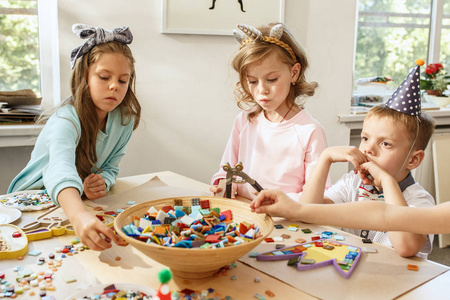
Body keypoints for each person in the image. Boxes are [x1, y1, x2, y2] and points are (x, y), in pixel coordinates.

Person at [251, 60, 436, 258]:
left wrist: (388, 182)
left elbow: (406, 247)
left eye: (386, 144)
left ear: (413, 160)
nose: (368, 149)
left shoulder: (419, 201)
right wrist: (325, 158)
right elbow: (309, 213)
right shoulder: (352, 184)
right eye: (365, 138)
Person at [8, 24, 141, 251]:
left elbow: (110, 168)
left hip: (75, 201)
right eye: (104, 77)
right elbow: (59, 169)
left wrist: (102, 183)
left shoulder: (124, 120)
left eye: (122, 80)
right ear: (84, 77)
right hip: (31, 204)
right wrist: (79, 215)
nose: (114, 86)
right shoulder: (65, 119)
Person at [210, 23, 330, 200]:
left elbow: (319, 196)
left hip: (286, 223)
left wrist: (282, 203)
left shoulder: (310, 131)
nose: (262, 90)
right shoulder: (244, 121)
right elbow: (227, 170)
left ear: (294, 73)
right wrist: (222, 184)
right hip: (244, 218)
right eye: (252, 81)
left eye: (272, 79)